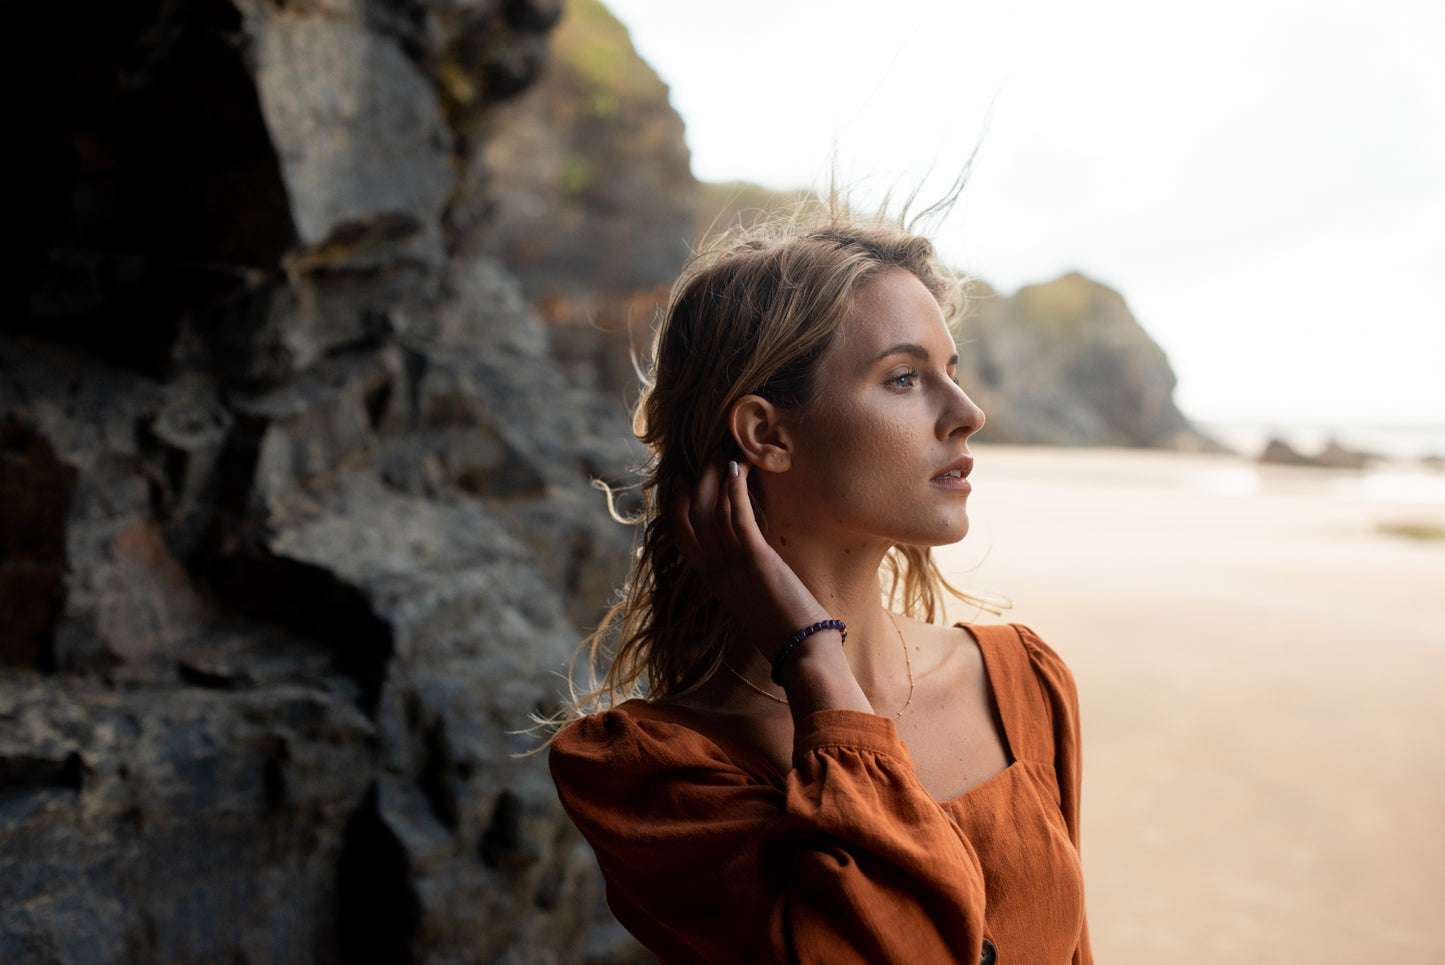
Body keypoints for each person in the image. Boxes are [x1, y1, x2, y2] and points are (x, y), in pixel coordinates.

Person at [547, 198, 1091, 964]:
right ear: (767, 432)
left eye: (951, 372)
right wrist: (814, 662)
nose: (965, 413)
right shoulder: (652, 775)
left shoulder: (1020, 681)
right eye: (903, 378)